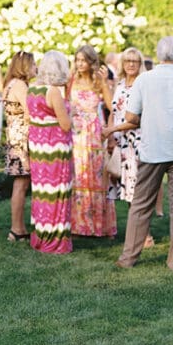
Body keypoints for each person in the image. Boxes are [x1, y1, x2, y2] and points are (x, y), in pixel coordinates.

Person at [115, 36, 173, 272]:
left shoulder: (144, 80)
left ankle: (128, 259)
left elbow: (130, 117)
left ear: (158, 56)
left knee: (140, 204)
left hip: (151, 150)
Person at [103, 47, 158, 244]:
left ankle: (146, 234)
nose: (131, 64)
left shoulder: (144, 86)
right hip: (121, 144)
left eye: (135, 61)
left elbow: (137, 120)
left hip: (137, 143)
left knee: (138, 190)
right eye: (128, 61)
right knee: (127, 191)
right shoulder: (119, 85)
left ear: (140, 63)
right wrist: (111, 136)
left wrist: (111, 130)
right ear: (123, 64)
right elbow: (113, 111)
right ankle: (137, 233)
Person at [67, 45, 117, 238]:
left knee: (96, 176)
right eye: (77, 60)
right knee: (78, 175)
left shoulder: (98, 80)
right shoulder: (71, 80)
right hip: (75, 133)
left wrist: (105, 83)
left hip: (95, 133)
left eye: (83, 60)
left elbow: (112, 105)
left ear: (91, 61)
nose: (80, 64)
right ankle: (78, 226)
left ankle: (100, 226)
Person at [27, 50, 73, 254]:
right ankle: (55, 240)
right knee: (56, 192)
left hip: (37, 146)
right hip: (54, 147)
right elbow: (65, 124)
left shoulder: (32, 89)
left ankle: (40, 234)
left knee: (41, 191)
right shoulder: (53, 91)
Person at [2, 50, 36, 241]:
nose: (35, 68)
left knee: (19, 183)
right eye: (32, 64)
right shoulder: (21, 85)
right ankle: (16, 228)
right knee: (21, 184)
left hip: (13, 136)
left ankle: (19, 227)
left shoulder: (9, 84)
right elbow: (30, 112)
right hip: (23, 139)